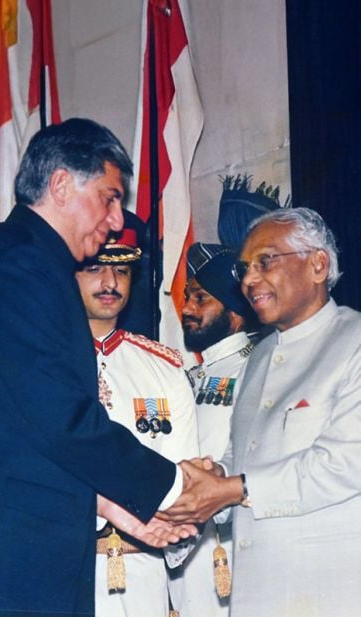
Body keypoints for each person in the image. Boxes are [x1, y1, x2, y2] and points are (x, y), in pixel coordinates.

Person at [0, 118, 196, 617]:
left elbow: (18, 432)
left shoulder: (19, 261)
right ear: (61, 185)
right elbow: (57, 417)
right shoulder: (19, 267)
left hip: (13, 553)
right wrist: (174, 486)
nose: (117, 218)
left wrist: (114, 506)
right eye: (108, 197)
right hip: (10, 565)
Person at [166, 207, 361, 616]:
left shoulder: (354, 343)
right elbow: (245, 456)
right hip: (254, 592)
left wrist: (233, 488)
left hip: (329, 590)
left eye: (265, 261)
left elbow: (345, 464)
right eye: (245, 269)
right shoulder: (259, 358)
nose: (250, 279)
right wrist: (214, 475)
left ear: (318, 265)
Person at [75, 229, 199, 617]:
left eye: (122, 271)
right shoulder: (39, 364)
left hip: (142, 568)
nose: (110, 283)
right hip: (63, 564)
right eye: (94, 268)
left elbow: (184, 479)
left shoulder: (162, 368)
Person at [170, 242, 259, 617]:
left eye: (201, 298)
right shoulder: (186, 376)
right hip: (182, 545)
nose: (186, 309)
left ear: (236, 313)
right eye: (188, 296)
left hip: (233, 546)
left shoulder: (256, 369)